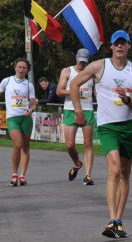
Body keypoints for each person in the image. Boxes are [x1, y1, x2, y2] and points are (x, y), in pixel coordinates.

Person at [70, 30, 132, 238]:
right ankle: (112, 219)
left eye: (124, 43)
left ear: (129, 46)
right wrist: (78, 111)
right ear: (111, 46)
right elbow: (74, 84)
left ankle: (119, 221)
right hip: (108, 126)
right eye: (116, 43)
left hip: (129, 126)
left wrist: (127, 99)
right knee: (114, 168)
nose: (120, 46)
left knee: (125, 174)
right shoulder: (99, 66)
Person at [0, 58, 36, 186]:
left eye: (24, 68)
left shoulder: (29, 85)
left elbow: (33, 104)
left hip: (26, 118)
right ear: (15, 68)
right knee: (18, 143)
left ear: (27, 70)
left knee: (26, 147)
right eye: (20, 67)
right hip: (12, 118)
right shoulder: (7, 81)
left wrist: (32, 110)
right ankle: (14, 173)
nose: (22, 70)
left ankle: (22, 175)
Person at [56, 48, 95, 186]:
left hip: (87, 110)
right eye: (80, 62)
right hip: (70, 110)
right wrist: (73, 92)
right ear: (76, 58)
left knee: (87, 144)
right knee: (70, 144)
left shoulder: (92, 73)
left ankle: (88, 175)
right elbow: (59, 91)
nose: (82, 65)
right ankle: (77, 163)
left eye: (84, 62)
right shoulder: (67, 71)